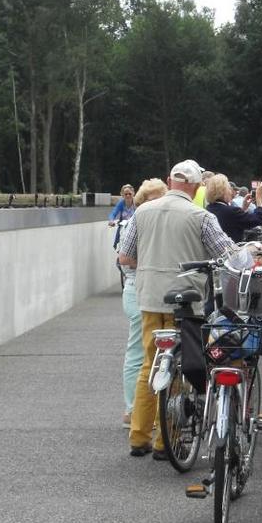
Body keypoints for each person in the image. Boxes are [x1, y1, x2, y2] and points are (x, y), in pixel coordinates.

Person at [117, 159, 237, 459]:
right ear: (197, 187)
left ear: (170, 182)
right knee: (178, 369)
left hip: (148, 298)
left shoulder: (141, 212)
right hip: (185, 301)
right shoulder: (201, 217)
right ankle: (165, 441)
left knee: (150, 365)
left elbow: (125, 258)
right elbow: (228, 254)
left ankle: (139, 436)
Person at [118, 178, 167, 426]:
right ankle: (132, 409)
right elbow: (124, 258)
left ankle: (149, 410)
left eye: (161, 198)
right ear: (141, 202)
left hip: (153, 290)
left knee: (158, 352)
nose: (157, 203)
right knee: (139, 351)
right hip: (137, 289)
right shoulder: (135, 221)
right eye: (152, 199)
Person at [204, 173, 262, 243]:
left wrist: (243, 209)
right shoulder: (230, 211)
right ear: (223, 192)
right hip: (232, 250)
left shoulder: (208, 209)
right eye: (229, 189)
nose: (231, 192)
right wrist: (259, 198)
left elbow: (233, 220)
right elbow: (258, 219)